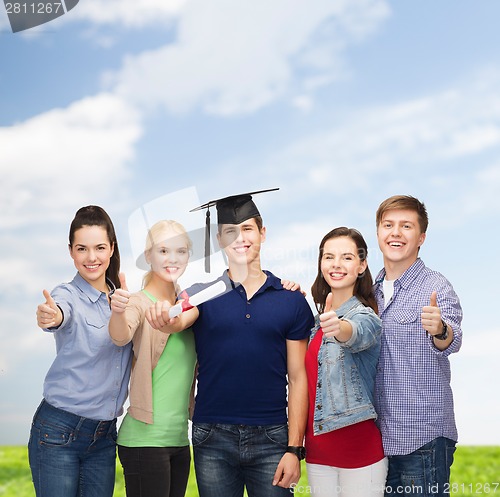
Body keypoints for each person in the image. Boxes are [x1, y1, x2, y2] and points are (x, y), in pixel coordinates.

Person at [147, 189, 315, 497]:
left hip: (273, 438)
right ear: (220, 240)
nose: (241, 238)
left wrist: (294, 447)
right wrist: (164, 318)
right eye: (230, 232)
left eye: (248, 228)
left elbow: (298, 377)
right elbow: (179, 318)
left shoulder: (291, 301)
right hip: (213, 437)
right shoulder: (200, 294)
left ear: (262, 233)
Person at [28, 205, 133, 497]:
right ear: (71, 252)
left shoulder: (122, 300)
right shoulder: (67, 295)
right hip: (58, 430)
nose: (91, 257)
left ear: (112, 248)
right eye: (82, 248)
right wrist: (52, 316)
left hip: (103, 437)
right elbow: (59, 313)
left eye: (99, 247)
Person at [373, 195, 463, 497]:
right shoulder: (369, 292)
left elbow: (451, 339)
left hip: (422, 439)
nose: (395, 233)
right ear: (378, 233)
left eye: (406, 226)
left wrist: (440, 329)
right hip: (376, 443)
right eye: (388, 225)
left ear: (421, 237)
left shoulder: (436, 286)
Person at [108, 220, 197, 497]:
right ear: (148, 256)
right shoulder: (137, 302)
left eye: (180, 251)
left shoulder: (189, 306)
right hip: (144, 441)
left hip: (181, 440)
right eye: (162, 251)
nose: (172, 259)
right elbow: (120, 336)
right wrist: (119, 311)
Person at [305, 227, 387, 497]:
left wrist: (338, 327)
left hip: (359, 453)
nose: (336, 264)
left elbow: (354, 333)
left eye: (347, 257)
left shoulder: (366, 317)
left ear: (362, 265)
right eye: (329, 257)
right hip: (318, 454)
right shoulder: (314, 326)